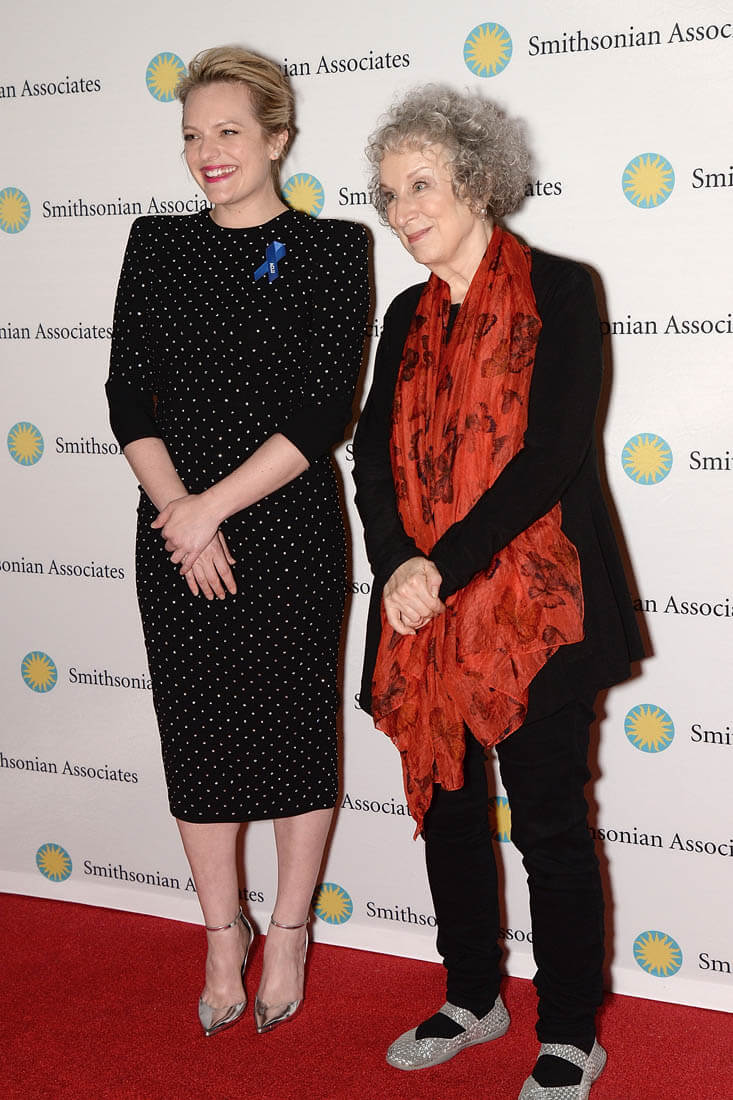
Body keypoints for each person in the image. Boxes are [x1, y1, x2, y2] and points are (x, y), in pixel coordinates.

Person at [352, 85, 643, 1099]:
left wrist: (442, 564)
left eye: (421, 184)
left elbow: (550, 454)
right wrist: (399, 562)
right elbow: (372, 460)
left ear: (477, 182)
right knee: (447, 810)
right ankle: (472, 994)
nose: (401, 210)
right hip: (422, 609)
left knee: (549, 824)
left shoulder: (561, 290)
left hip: (534, 607)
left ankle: (568, 1032)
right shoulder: (404, 314)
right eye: (389, 193)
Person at [106, 45, 369, 1038]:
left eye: (227, 131)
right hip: (175, 528)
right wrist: (182, 511)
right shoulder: (155, 244)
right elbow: (128, 392)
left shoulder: (333, 248)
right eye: (191, 135)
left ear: (277, 138)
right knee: (198, 733)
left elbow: (322, 411)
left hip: (287, 526)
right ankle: (223, 933)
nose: (206, 152)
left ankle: (289, 930)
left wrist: (211, 507)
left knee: (297, 729)